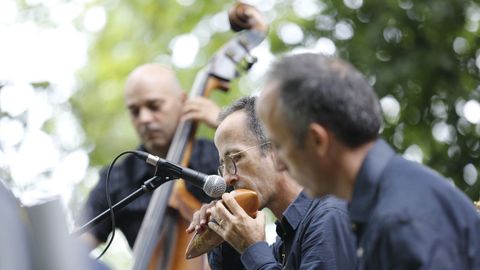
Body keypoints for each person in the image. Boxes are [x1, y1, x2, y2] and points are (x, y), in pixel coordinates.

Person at [257, 53, 480, 269]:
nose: (279, 165)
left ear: (318, 140)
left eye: (280, 145)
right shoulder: (390, 199)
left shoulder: (398, 221)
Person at [187, 96, 356, 269]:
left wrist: (252, 249)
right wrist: (226, 234)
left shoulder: (329, 217)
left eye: (236, 158)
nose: (227, 178)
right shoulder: (283, 242)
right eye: (223, 166)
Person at [78, 63, 220, 250]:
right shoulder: (116, 178)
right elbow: (78, 247)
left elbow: (268, 181)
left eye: (154, 106)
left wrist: (226, 124)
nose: (144, 118)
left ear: (183, 101)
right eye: (135, 111)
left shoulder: (218, 156)